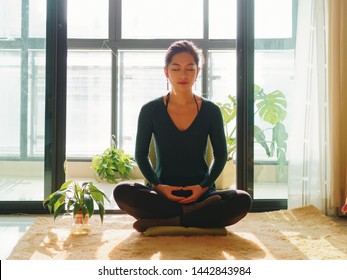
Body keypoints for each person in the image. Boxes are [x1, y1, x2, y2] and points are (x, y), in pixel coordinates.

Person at [113, 40, 252, 232]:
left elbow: (221, 155)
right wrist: (158, 186)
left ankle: (169, 219)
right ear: (166, 72)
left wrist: (203, 187)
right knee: (122, 192)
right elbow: (141, 154)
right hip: (162, 193)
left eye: (190, 68)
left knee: (242, 200)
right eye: (176, 69)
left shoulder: (211, 111)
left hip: (200, 192)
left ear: (198, 72)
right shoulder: (150, 110)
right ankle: (193, 216)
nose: (183, 75)